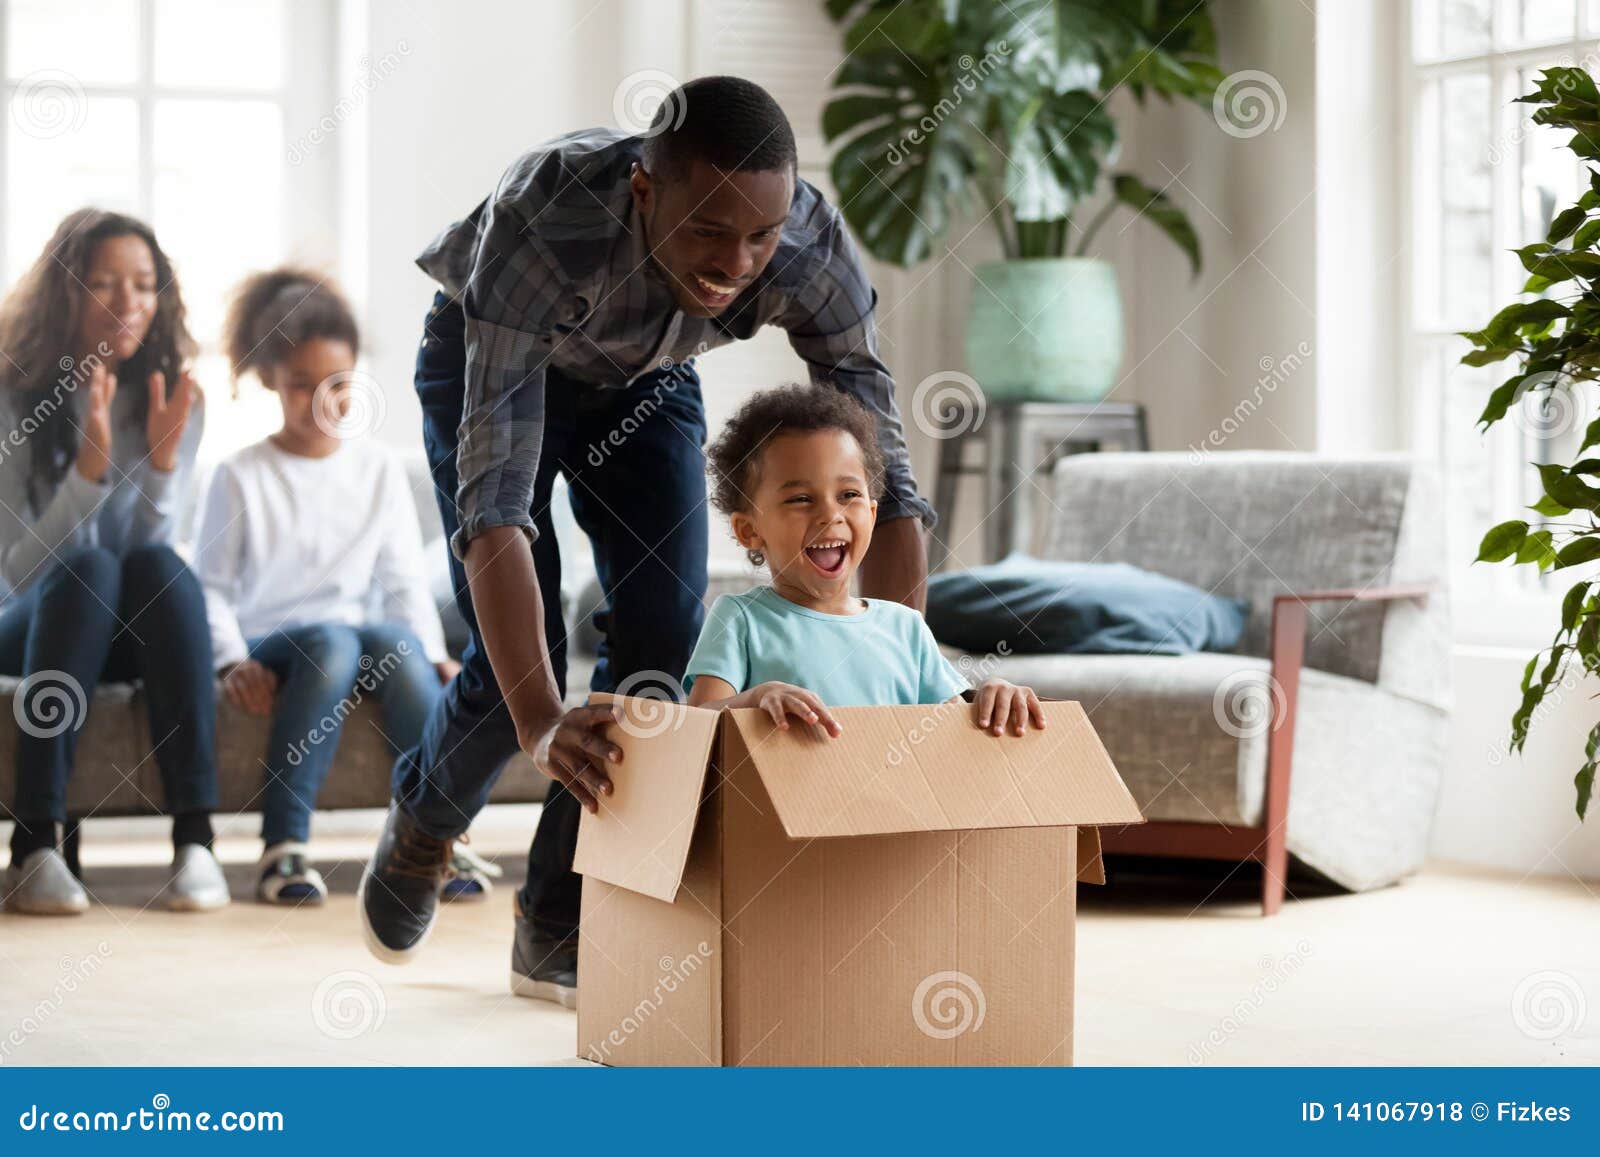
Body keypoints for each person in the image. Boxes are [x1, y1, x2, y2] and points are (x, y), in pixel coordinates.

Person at [361, 76, 935, 1007]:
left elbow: (885, 467)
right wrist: (544, 722)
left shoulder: (806, 243)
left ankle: (556, 915)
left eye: (759, 235)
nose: (738, 260)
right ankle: (427, 818)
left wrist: (896, 652)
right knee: (527, 657)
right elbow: (495, 507)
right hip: (502, 363)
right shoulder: (544, 219)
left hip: (651, 380)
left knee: (666, 639)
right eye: (709, 230)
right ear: (643, 189)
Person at [195, 270, 460, 906]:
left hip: (352, 638)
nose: (322, 403)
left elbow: (400, 580)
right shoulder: (239, 476)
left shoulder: (377, 471)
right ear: (270, 382)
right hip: (271, 639)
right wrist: (232, 661)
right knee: (335, 643)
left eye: (337, 385)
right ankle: (283, 848)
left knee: (395, 643)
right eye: (300, 386)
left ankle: (439, 836)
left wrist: (432, 653)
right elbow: (210, 589)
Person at [0, 208, 224, 915]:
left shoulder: (174, 398)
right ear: (64, 293)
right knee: (88, 571)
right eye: (102, 284)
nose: (126, 302)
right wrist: (89, 473)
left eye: (142, 284)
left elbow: (147, 556)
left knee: (160, 568)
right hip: (30, 625)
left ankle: (197, 841)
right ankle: (35, 845)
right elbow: (21, 573)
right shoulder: (13, 398)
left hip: (122, 624)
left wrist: (159, 467)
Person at [683, 383, 1046, 735]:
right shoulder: (740, 619)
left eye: (848, 494)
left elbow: (950, 734)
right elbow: (698, 724)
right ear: (749, 530)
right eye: (800, 499)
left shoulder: (904, 628)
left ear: (872, 515)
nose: (830, 514)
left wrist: (993, 695)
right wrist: (755, 699)